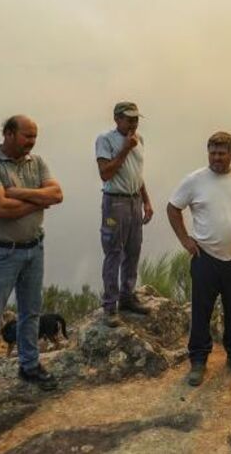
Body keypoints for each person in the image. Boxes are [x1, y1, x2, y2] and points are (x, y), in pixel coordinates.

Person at [0, 115, 65, 425]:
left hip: (35, 248)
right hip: (1, 254)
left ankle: (29, 365)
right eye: (26, 136)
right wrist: (38, 200)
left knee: (31, 312)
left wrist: (17, 193)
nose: (32, 142)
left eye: (34, 136)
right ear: (7, 133)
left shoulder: (37, 162)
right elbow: (0, 210)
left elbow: (57, 195)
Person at [166, 131, 231, 386]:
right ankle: (198, 362)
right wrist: (185, 240)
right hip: (205, 258)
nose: (216, 158)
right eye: (212, 152)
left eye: (222, 153)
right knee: (201, 311)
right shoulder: (195, 180)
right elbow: (173, 208)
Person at [94, 101, 154, 327]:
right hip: (115, 202)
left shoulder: (140, 140)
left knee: (133, 250)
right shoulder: (105, 140)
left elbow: (136, 174)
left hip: (134, 201)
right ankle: (110, 306)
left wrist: (146, 201)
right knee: (113, 252)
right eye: (129, 119)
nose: (134, 123)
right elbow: (105, 174)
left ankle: (127, 298)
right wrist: (126, 148)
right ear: (117, 119)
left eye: (136, 119)